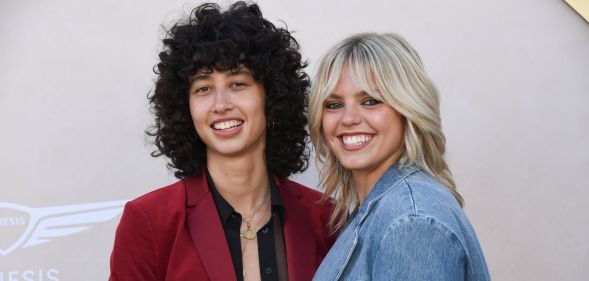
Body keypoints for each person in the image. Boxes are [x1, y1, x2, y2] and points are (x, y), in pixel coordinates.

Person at [109, 2, 333, 281]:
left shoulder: (325, 218)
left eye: (237, 84)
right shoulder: (149, 221)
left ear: (272, 99)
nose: (221, 104)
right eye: (203, 88)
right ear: (185, 109)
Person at [308, 33, 491, 281]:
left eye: (370, 101)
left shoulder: (410, 223)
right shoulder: (377, 209)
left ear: (408, 109)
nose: (348, 118)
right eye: (333, 104)